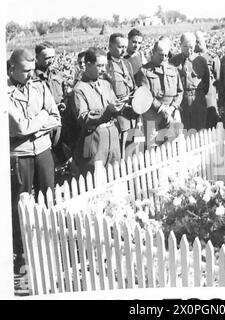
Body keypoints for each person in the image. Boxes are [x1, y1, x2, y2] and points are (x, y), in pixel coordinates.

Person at [8, 49, 61, 271]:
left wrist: (33, 123)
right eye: (25, 71)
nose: (31, 75)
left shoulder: (39, 86)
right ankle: (20, 254)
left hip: (43, 151)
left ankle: (48, 246)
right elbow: (18, 127)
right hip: (20, 155)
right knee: (19, 205)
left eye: (32, 70)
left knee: (47, 199)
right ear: (12, 69)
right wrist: (41, 118)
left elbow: (56, 116)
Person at [72, 47, 123, 174]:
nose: (103, 69)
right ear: (88, 65)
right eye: (99, 66)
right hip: (95, 140)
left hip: (113, 138)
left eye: (104, 65)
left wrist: (120, 106)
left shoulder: (106, 84)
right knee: (96, 179)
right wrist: (108, 111)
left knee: (115, 175)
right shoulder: (79, 90)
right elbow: (83, 118)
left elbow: (114, 105)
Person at [136, 39, 183, 147]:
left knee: (176, 144)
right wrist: (161, 109)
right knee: (154, 146)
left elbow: (180, 91)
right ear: (153, 52)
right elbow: (145, 94)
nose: (164, 58)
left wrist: (172, 107)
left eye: (166, 55)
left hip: (172, 112)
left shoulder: (173, 69)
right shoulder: (144, 71)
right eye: (161, 55)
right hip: (153, 114)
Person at [34, 41, 69, 166]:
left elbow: (65, 95)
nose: (51, 61)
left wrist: (64, 104)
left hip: (61, 123)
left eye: (53, 57)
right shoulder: (32, 79)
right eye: (47, 58)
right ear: (37, 58)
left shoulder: (57, 74)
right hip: (44, 127)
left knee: (63, 157)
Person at [170, 32, 211, 131]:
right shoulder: (173, 61)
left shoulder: (201, 60)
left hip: (197, 98)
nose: (189, 50)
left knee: (199, 128)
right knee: (182, 129)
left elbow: (207, 82)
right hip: (181, 99)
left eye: (191, 47)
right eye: (185, 47)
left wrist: (198, 94)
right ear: (180, 45)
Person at [106, 33, 138, 158]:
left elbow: (133, 86)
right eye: (120, 47)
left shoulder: (127, 64)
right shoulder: (106, 66)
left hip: (131, 114)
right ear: (110, 47)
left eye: (125, 47)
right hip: (118, 116)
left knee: (132, 149)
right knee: (119, 152)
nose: (123, 50)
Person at [195, 30, 221, 128]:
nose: (197, 44)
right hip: (197, 97)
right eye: (195, 42)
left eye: (199, 41)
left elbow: (218, 79)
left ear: (204, 41)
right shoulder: (192, 58)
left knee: (212, 121)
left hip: (210, 96)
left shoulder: (212, 58)